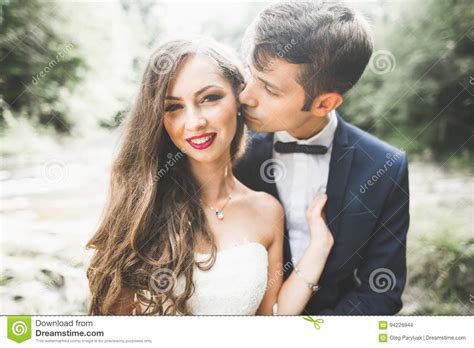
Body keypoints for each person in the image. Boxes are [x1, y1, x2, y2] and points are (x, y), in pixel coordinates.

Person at [86, 38, 334, 315]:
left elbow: (268, 321)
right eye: (173, 107)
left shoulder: (267, 210)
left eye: (209, 98)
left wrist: (318, 249)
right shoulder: (141, 203)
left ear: (240, 96)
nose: (194, 122)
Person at [234, 1, 410, 315]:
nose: (245, 96)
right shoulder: (232, 149)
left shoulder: (385, 168)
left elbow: (380, 292)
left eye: (270, 90)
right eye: (251, 73)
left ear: (324, 103)